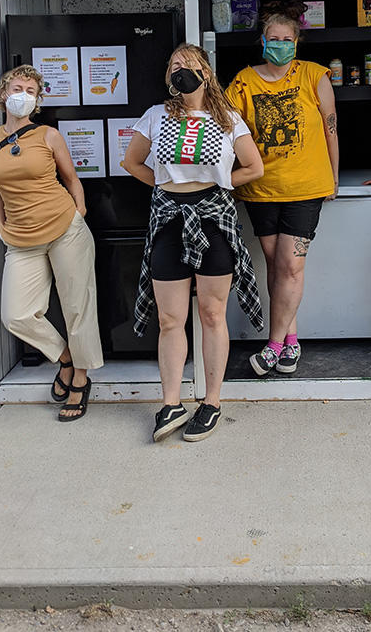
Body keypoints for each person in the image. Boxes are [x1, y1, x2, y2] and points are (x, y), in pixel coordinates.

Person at [123, 44, 264, 443]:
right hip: (169, 222)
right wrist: (169, 191)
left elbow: (254, 167)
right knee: (170, 319)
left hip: (215, 220)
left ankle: (212, 401)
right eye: (173, 66)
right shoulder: (155, 116)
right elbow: (132, 162)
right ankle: (171, 402)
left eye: (187, 64)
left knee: (211, 313)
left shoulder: (228, 120)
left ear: (206, 71)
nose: (179, 70)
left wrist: (218, 186)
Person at [0, 65, 103, 420]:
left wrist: (78, 211)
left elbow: (72, 178)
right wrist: (1, 226)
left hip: (65, 229)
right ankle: (65, 358)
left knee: (77, 309)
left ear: (37, 101)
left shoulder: (48, 135)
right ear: (4, 94)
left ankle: (80, 379)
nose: (24, 94)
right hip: (21, 238)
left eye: (31, 91)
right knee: (16, 314)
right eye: (18, 87)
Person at [226, 0, 339, 378]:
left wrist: (334, 178)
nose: (279, 44)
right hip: (260, 189)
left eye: (286, 39)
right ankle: (292, 340)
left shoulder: (314, 76)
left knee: (291, 266)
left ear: (297, 42)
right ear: (262, 40)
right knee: (277, 267)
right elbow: (227, 129)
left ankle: (273, 345)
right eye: (273, 38)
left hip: (306, 188)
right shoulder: (243, 81)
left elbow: (331, 128)